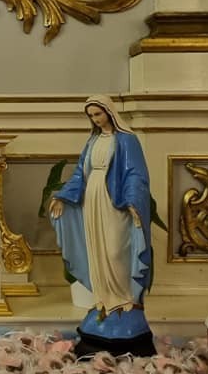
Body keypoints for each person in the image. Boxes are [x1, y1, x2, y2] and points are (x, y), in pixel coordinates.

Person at [49, 95, 156, 357]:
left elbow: (136, 174)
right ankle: (105, 301)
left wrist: (133, 201)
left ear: (110, 112)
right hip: (93, 199)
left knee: (116, 250)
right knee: (98, 250)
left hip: (115, 201)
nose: (95, 119)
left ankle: (125, 301)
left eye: (98, 113)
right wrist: (63, 196)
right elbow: (80, 173)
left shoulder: (127, 140)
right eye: (91, 116)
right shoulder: (93, 141)